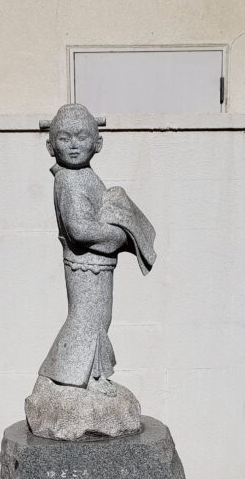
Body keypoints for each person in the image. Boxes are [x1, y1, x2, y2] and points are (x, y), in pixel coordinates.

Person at [38, 103, 156, 396]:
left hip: (97, 264)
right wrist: (119, 236)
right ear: (51, 146)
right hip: (84, 264)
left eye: (81, 137)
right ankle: (77, 375)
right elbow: (79, 229)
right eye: (64, 138)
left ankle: (91, 372)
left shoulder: (84, 175)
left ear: (97, 143)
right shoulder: (69, 179)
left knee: (99, 319)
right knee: (86, 318)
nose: (73, 145)